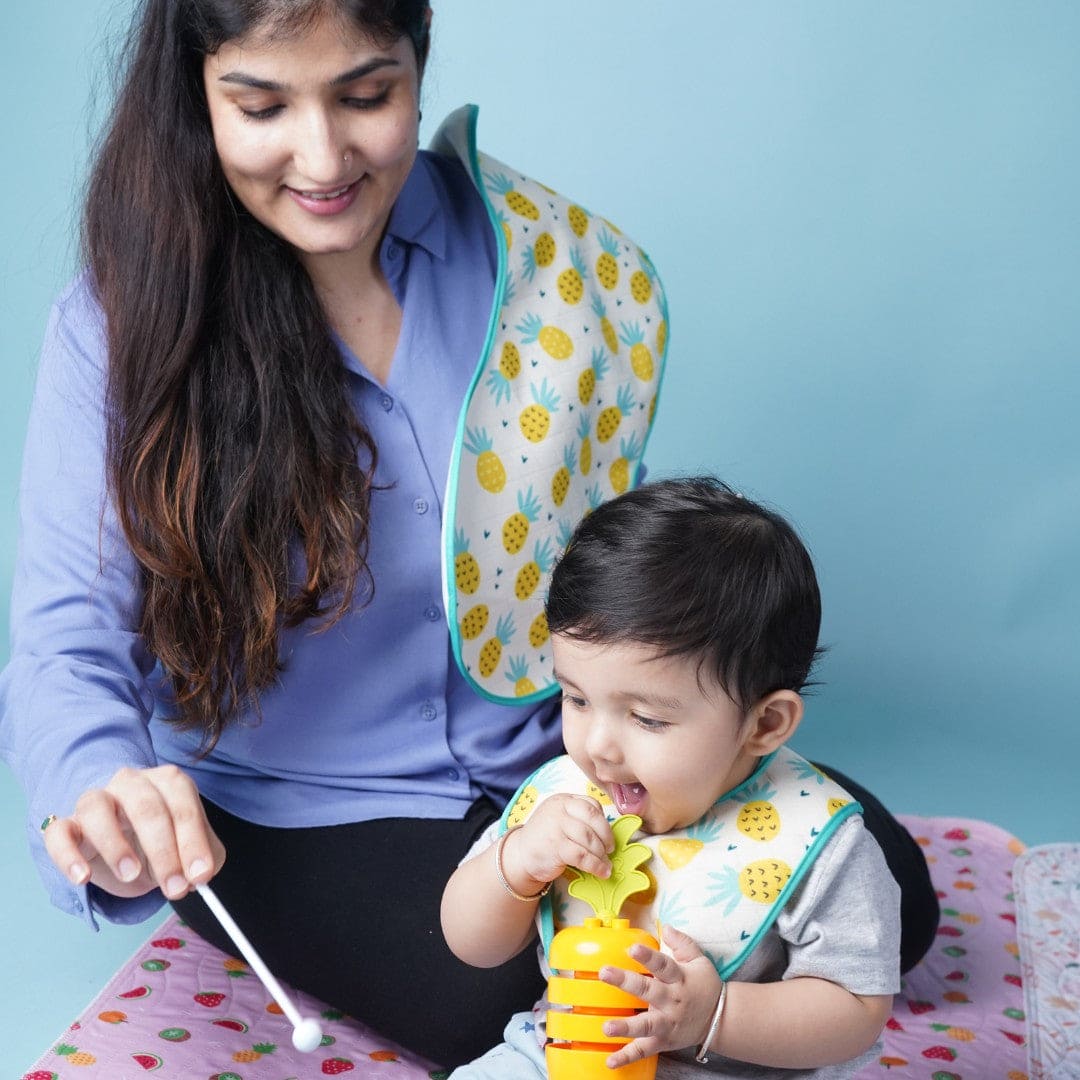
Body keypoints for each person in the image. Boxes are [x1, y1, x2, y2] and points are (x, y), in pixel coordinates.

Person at [0, 0, 932, 1071]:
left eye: (366, 94)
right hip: (299, 803)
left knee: (880, 888)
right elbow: (65, 642)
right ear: (196, 93)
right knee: (518, 991)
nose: (321, 155)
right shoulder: (121, 324)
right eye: (261, 105)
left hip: (560, 748)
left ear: (419, 65)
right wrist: (99, 785)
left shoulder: (542, 265)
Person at [442, 477, 903, 1078]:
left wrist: (714, 1013)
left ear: (765, 723)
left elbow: (857, 1009)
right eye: (576, 699)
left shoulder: (818, 842)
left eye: (646, 717)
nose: (598, 745)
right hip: (563, 1055)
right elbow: (469, 942)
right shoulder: (562, 800)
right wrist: (518, 864)